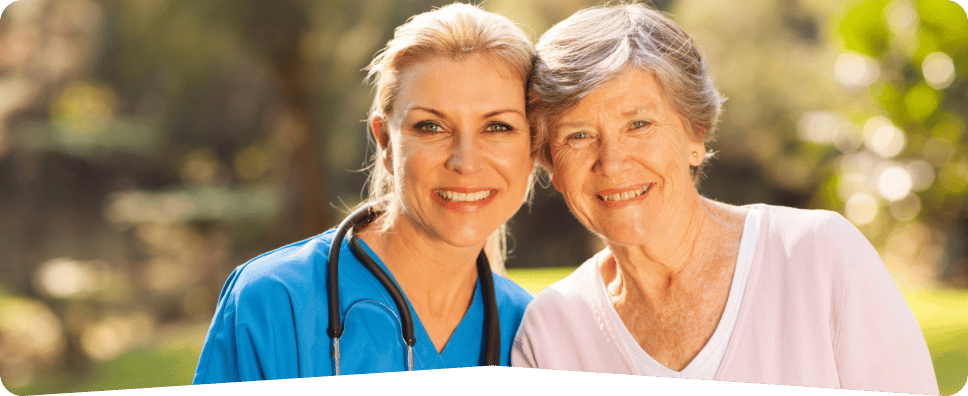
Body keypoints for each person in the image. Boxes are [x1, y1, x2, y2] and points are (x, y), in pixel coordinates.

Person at [511, 4, 938, 395]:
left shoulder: (820, 257)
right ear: (551, 163)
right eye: (579, 136)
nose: (613, 162)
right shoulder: (552, 332)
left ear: (695, 133)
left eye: (638, 124)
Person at [193, 3, 536, 384]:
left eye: (498, 127)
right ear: (385, 143)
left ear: (534, 147)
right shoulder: (275, 302)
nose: (465, 162)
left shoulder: (533, 332)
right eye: (431, 127)